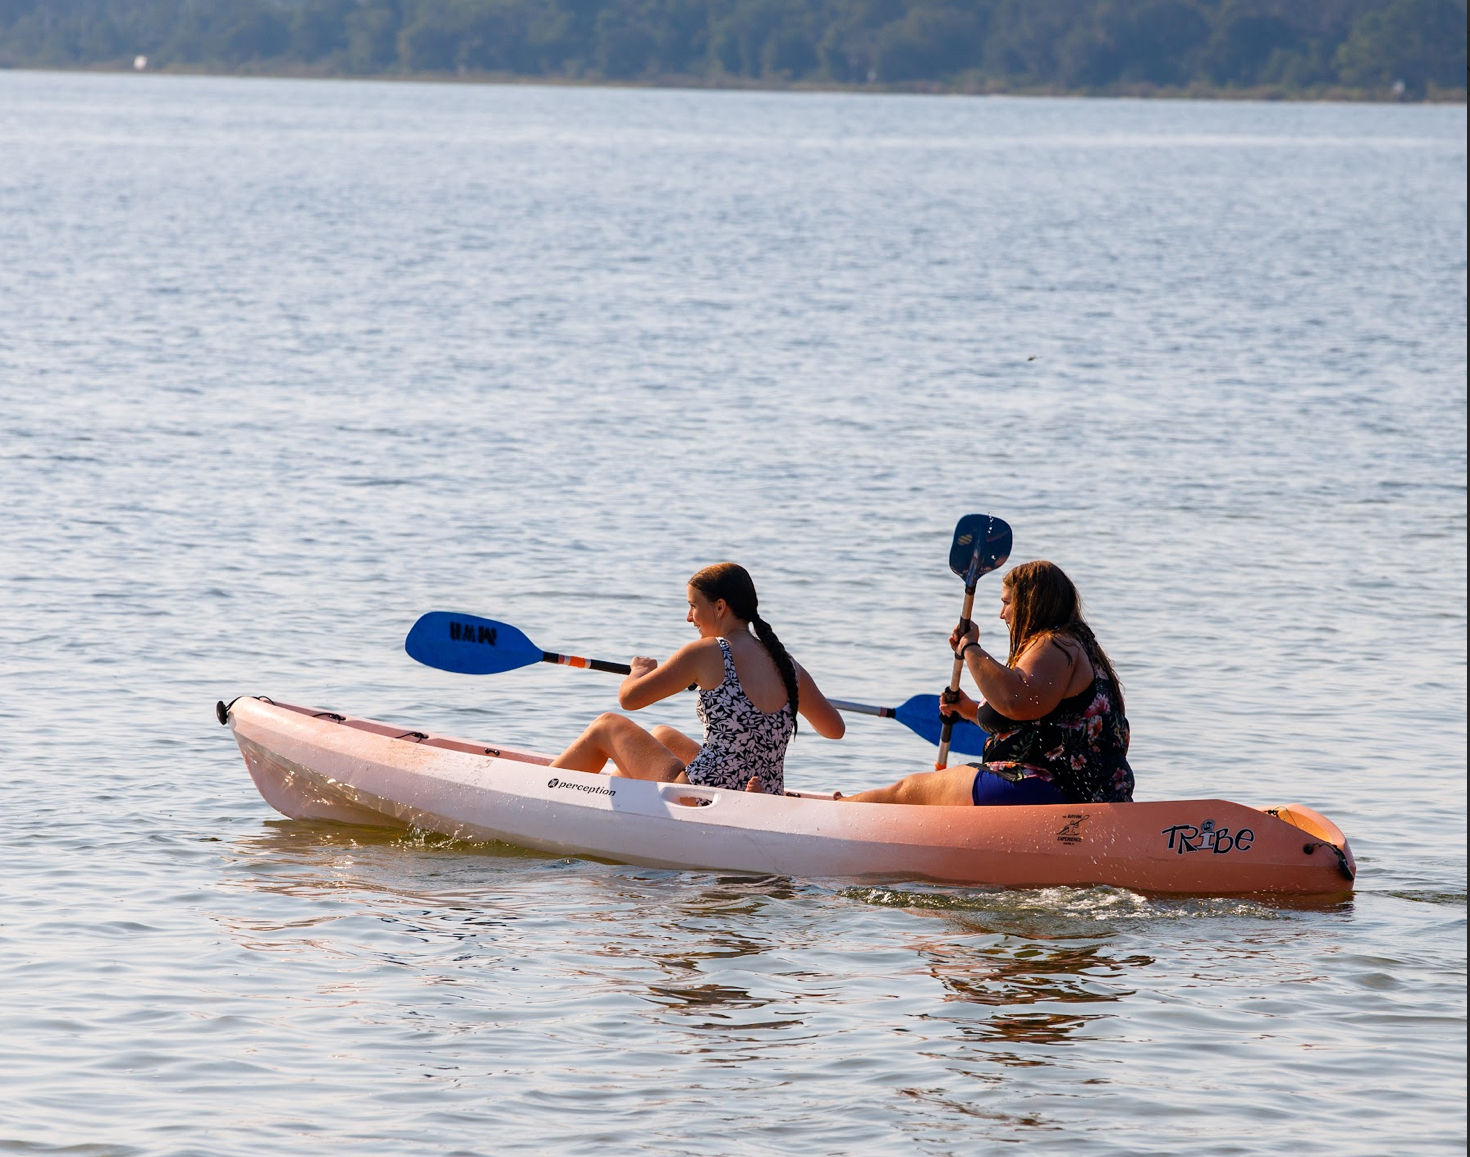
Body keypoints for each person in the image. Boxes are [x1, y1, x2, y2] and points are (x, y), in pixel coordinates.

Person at [838, 560, 1133, 806]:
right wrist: (968, 710)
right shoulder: (1083, 648)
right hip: (1090, 796)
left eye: (1006, 602)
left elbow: (1016, 701)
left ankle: (840, 812)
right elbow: (1041, 722)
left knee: (906, 791)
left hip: (1038, 789)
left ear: (1031, 604)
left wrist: (970, 648)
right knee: (913, 790)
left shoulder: (1054, 645)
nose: (1001, 613)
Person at [549, 562, 845, 793]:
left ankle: (542, 790)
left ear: (719, 607)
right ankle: (612, 799)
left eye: (693, 605)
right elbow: (834, 729)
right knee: (663, 736)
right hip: (763, 793)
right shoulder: (787, 664)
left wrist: (639, 671)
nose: (689, 617)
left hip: (705, 794)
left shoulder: (708, 651)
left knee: (606, 726)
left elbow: (629, 699)